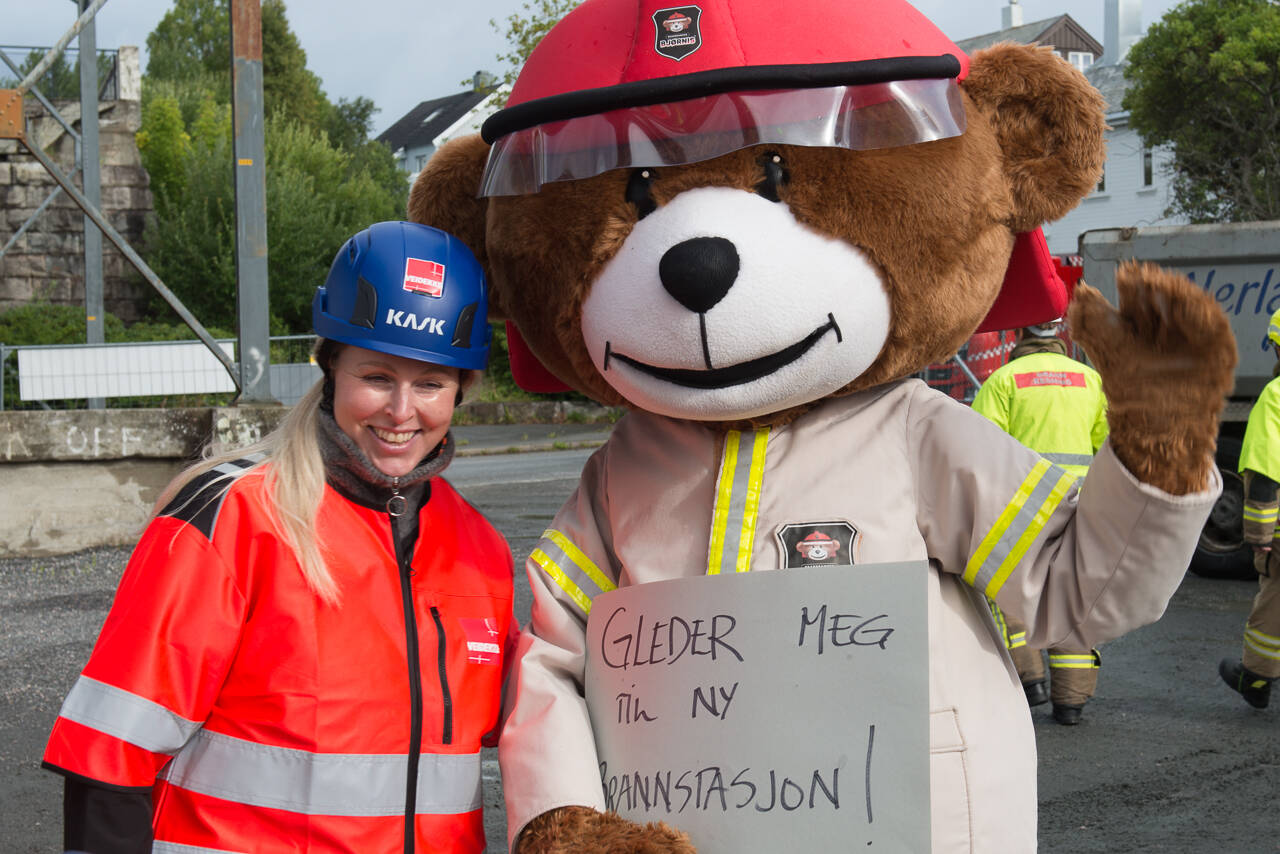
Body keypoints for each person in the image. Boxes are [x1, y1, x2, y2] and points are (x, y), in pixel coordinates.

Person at [41, 221, 515, 853]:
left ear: (462, 390)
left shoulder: (480, 551)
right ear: (330, 366)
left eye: (430, 384)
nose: (402, 412)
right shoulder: (232, 513)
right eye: (376, 376)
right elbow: (110, 751)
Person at [970, 319, 1109, 725]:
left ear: (1019, 335)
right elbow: (1108, 447)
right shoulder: (1090, 381)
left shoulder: (1004, 380)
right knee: (1071, 597)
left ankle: (1030, 681)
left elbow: (980, 447)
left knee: (1013, 591)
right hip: (1079, 507)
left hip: (1022, 507)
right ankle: (1071, 701)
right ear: (1061, 336)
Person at [1219, 307, 1280, 709]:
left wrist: (1259, 538)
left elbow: (1265, 472)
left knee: (1273, 602)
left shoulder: (1275, 397)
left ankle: (1256, 679)